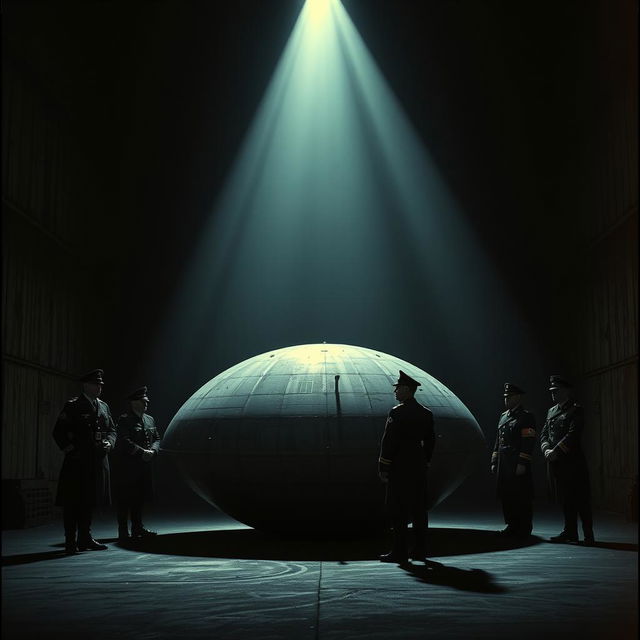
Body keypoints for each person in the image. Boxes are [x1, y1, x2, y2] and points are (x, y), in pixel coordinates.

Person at [52, 368, 116, 554]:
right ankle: (70, 540)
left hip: (96, 462)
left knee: (89, 501)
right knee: (73, 502)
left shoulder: (103, 406)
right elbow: (59, 432)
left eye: (101, 385)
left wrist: (109, 444)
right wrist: (71, 450)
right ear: (86, 385)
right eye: (96, 384)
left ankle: (85, 537)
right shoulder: (73, 406)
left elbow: (112, 430)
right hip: (77, 463)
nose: (99, 387)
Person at [378, 370, 435, 564]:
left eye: (398, 388)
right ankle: (420, 550)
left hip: (399, 466)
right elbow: (430, 441)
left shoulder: (397, 412)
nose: (395, 392)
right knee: (419, 510)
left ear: (406, 390)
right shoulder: (426, 414)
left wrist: (384, 465)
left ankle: (399, 552)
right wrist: (425, 461)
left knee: (398, 510)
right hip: (418, 466)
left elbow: (389, 441)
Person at [540, 375, 595, 544]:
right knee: (566, 499)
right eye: (552, 391)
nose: (553, 394)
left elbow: (573, 434)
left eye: (556, 391)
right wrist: (546, 449)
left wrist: (556, 451)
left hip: (573, 463)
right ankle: (570, 532)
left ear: (566, 391)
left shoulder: (576, 409)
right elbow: (544, 434)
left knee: (581, 499)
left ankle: (588, 535)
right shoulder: (551, 411)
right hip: (558, 464)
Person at [111, 386, 161, 541]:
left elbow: (157, 438)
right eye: (142, 400)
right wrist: (142, 452)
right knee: (125, 499)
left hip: (144, 467)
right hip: (128, 467)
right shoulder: (125, 420)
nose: (146, 402)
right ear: (134, 403)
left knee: (139, 498)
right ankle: (123, 531)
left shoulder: (149, 419)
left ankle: (138, 528)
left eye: (146, 400)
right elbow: (124, 441)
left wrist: (153, 451)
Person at [490, 383, 536, 538]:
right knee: (507, 495)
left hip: (516, 462)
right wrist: (495, 460)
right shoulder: (504, 416)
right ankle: (511, 524)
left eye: (509, 397)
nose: (506, 400)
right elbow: (499, 439)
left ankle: (524, 527)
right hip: (505, 463)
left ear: (518, 397)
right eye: (505, 397)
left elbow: (528, 442)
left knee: (521, 496)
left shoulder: (526, 416)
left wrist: (522, 463)